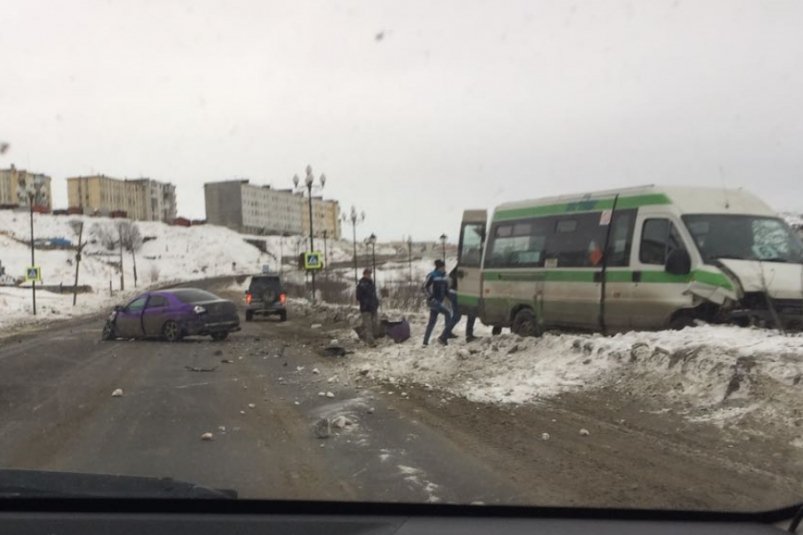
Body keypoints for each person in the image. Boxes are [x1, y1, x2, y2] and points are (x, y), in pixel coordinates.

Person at [422, 260, 453, 346]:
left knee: (432, 322)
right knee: (447, 313)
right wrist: (430, 297)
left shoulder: (444, 277)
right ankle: (446, 335)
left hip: (439, 301)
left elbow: (446, 291)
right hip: (433, 301)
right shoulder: (432, 275)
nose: (444, 268)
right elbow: (424, 287)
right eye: (443, 267)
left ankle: (425, 342)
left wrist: (451, 299)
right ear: (439, 267)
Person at [448, 267, 478, 342]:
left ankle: (446, 334)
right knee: (468, 313)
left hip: (458, 292)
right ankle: (468, 335)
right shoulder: (462, 268)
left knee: (463, 314)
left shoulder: (459, 268)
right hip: (459, 293)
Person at [356, 268, 379, 346]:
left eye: (370, 274)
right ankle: (371, 342)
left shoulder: (371, 283)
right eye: (368, 274)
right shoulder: (361, 285)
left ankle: (362, 335)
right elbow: (358, 297)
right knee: (368, 325)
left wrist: (376, 303)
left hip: (373, 307)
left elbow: (374, 295)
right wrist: (365, 302)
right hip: (365, 308)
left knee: (374, 324)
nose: (369, 275)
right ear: (364, 274)